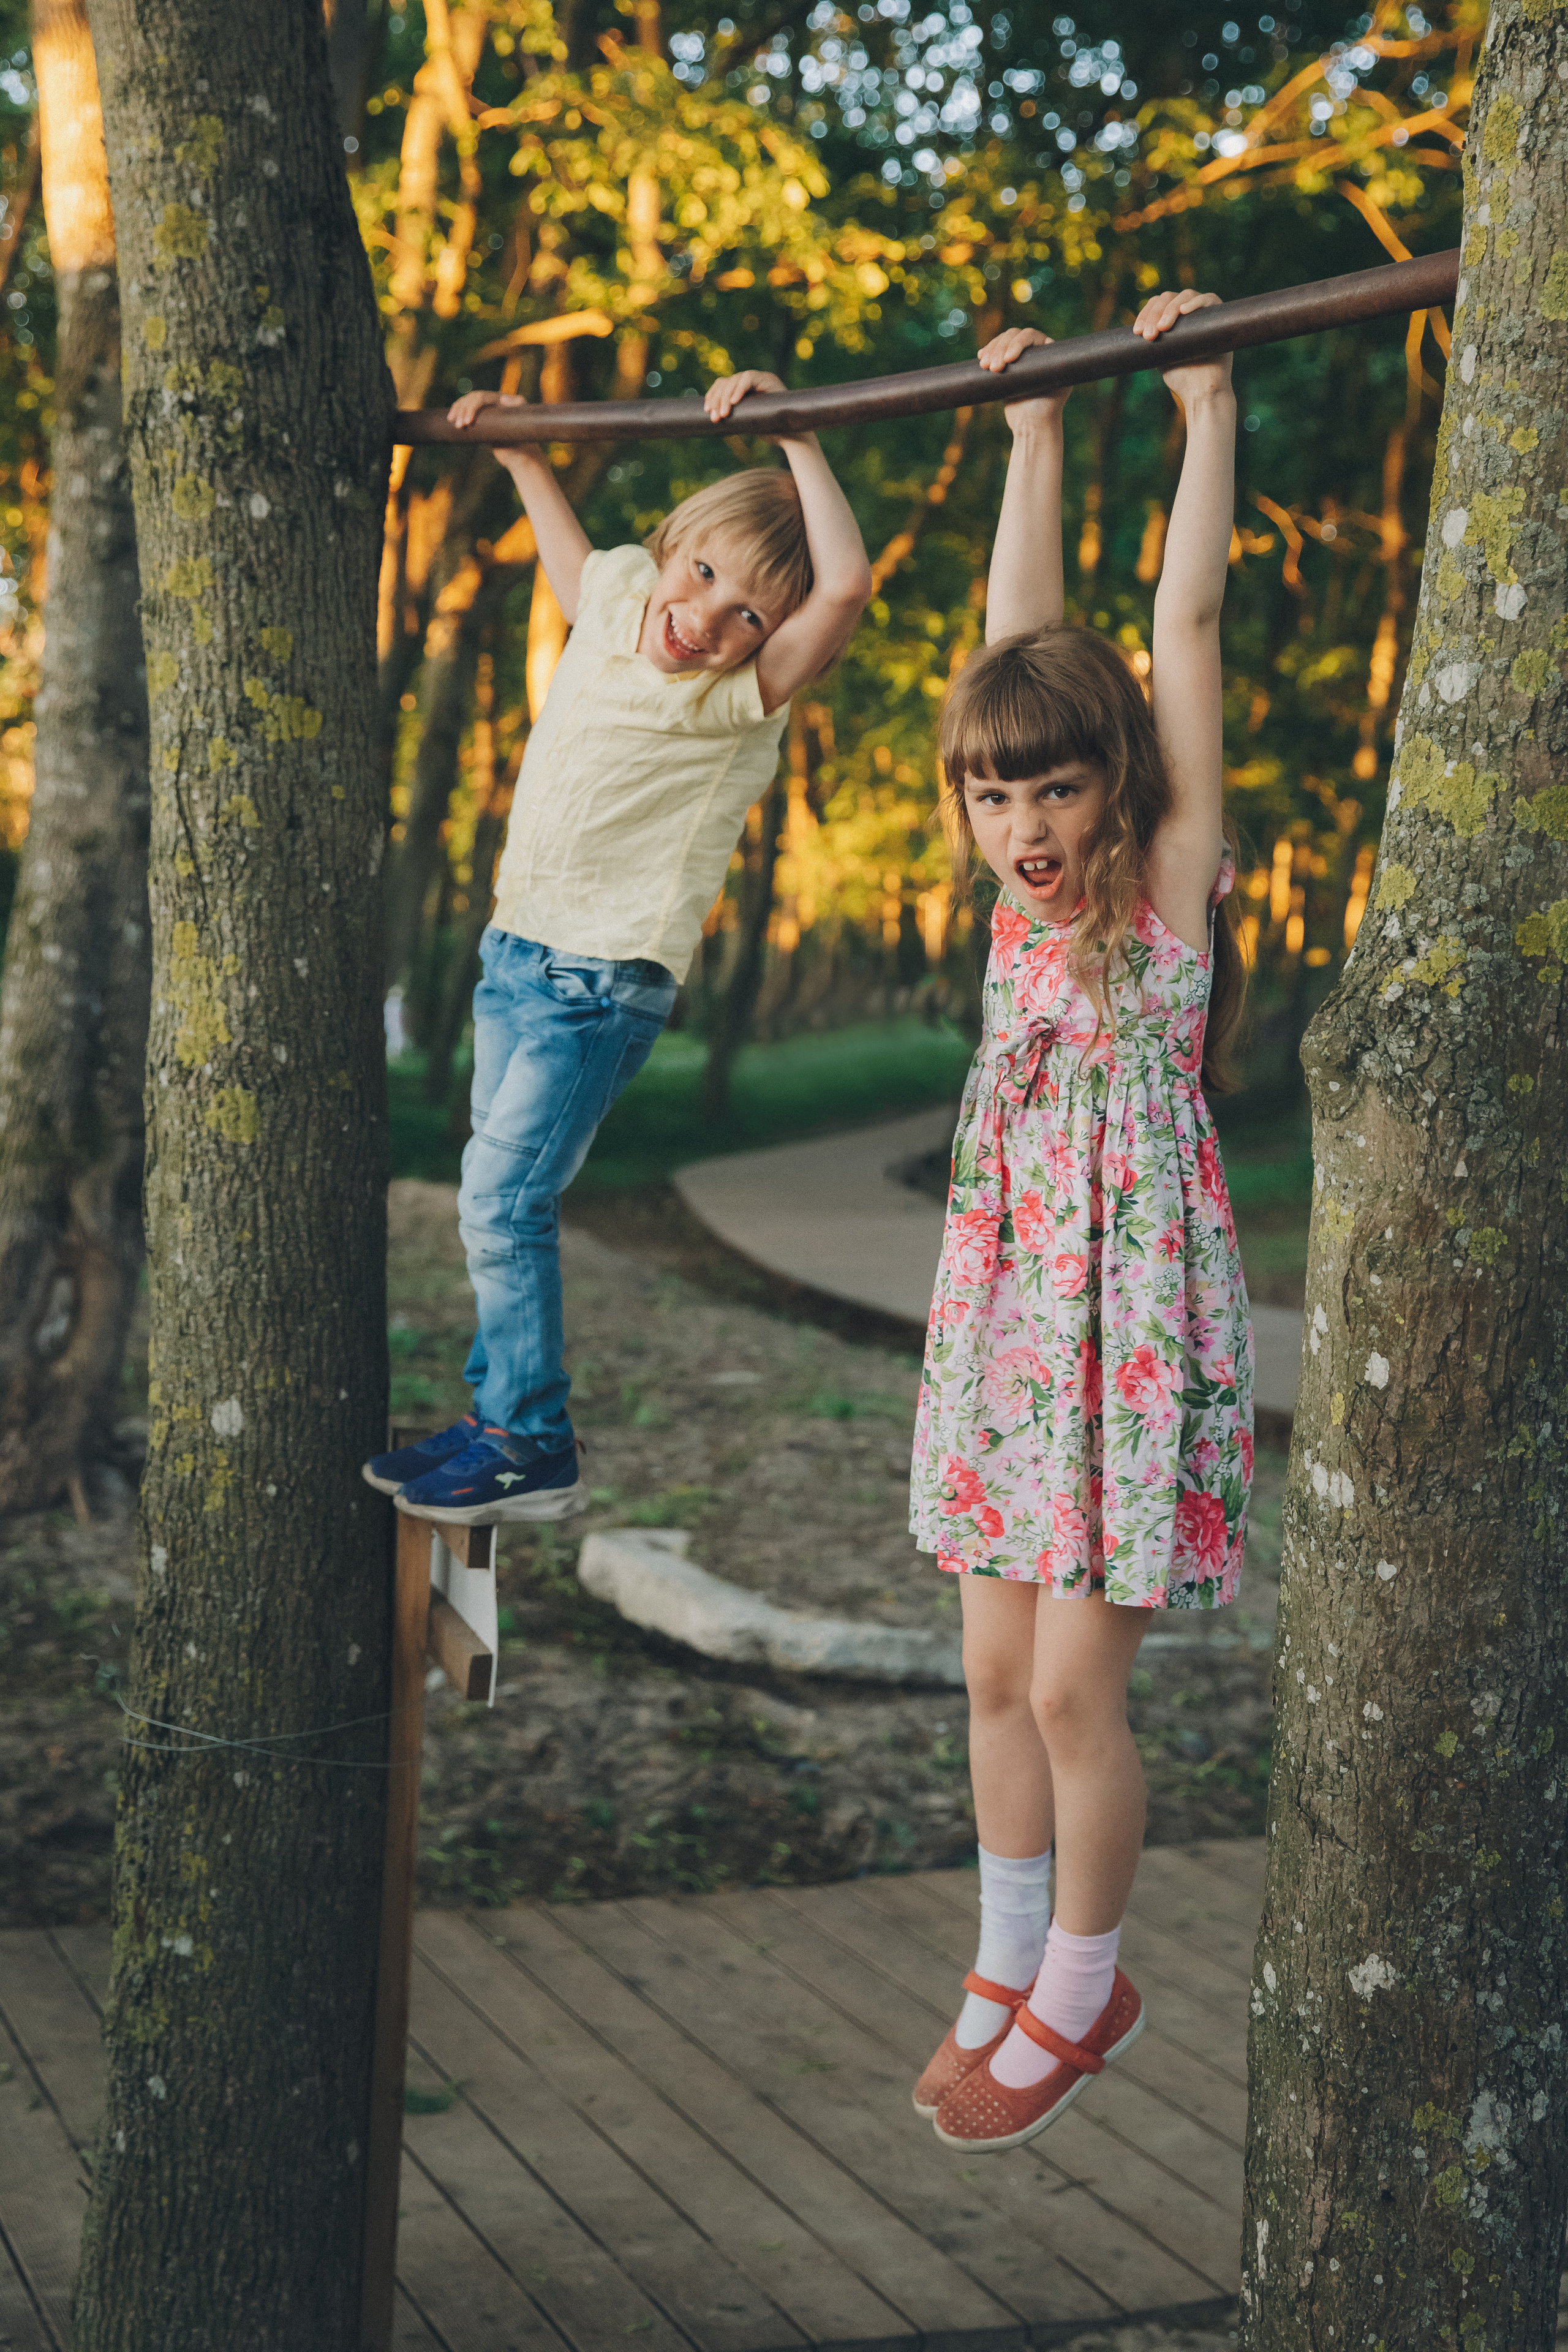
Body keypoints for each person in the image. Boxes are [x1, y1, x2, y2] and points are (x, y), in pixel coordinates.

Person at [908, 288, 1254, 2153]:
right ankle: (1008, 1953)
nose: (1026, 818)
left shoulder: (1161, 892)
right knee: (983, 1674)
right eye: (994, 789)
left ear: (1117, 791)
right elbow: (1011, 639)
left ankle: (1089, 1978)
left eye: (1057, 784)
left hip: (1120, 1338)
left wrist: (1202, 407)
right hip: (1007, 1324)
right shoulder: (1006, 919)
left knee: (1064, 1686)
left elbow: (1176, 625)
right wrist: (1030, 427)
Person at [363, 371, 872, 1526]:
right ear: (669, 545)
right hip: (515, 955)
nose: (709, 620)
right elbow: (573, 566)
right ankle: (501, 1418)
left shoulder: (739, 699)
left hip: (601, 981)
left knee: (501, 1202)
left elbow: (842, 585)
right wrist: (524, 457)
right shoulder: (621, 594)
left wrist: (797, 436)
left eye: (750, 614)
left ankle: (534, 1441)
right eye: (704, 577)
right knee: (493, 1196)